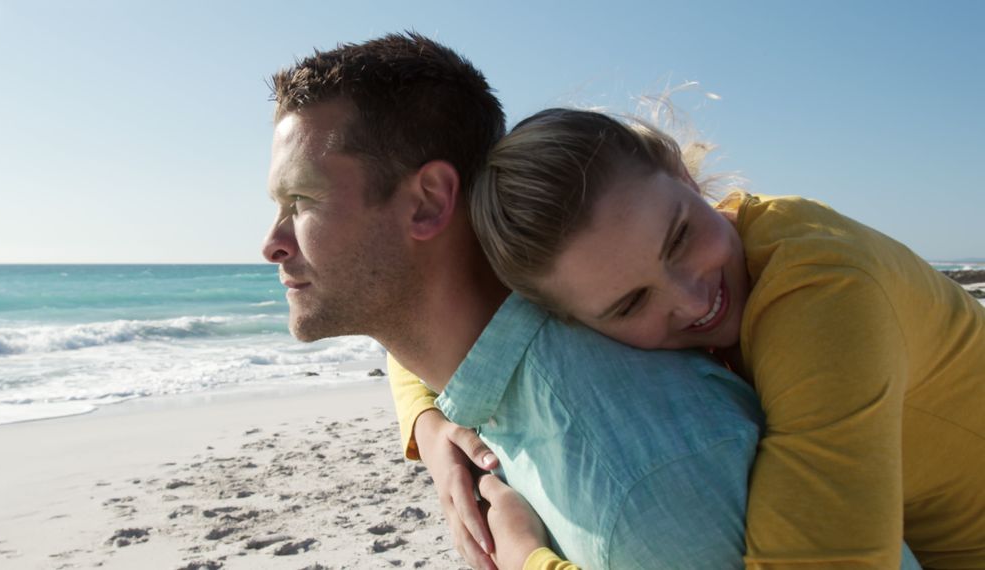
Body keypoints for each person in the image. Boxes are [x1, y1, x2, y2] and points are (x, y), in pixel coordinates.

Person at [394, 107, 985, 568]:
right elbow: (422, 324)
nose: (693, 300)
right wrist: (428, 419)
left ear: (681, 172)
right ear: (561, 317)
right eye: (630, 303)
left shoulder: (823, 291)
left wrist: (528, 560)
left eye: (678, 238)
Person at [262, 34, 766, 569]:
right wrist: (425, 423)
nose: (272, 241)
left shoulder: (636, 485)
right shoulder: (501, 384)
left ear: (428, 202)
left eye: (301, 200)